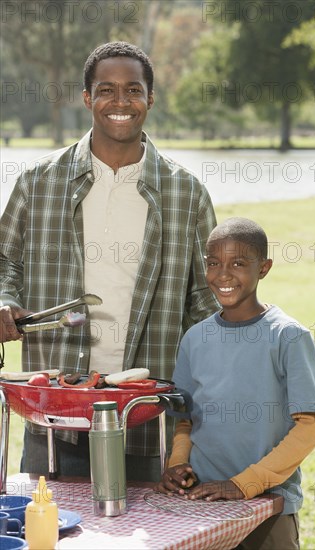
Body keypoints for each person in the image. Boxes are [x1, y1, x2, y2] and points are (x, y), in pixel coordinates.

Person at [0, 41, 219, 480]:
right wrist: (3, 299)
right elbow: (5, 262)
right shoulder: (38, 182)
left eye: (133, 90)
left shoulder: (185, 192)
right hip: (54, 419)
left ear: (150, 99)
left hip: (149, 418)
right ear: (87, 97)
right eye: (106, 90)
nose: (120, 102)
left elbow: (205, 299)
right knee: (50, 538)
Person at [156, 217, 315, 550]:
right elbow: (185, 419)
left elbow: (310, 427)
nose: (223, 275)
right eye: (213, 263)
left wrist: (244, 484)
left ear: (263, 268)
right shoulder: (194, 338)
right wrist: (177, 466)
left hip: (268, 507)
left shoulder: (288, 336)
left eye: (238, 263)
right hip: (201, 502)